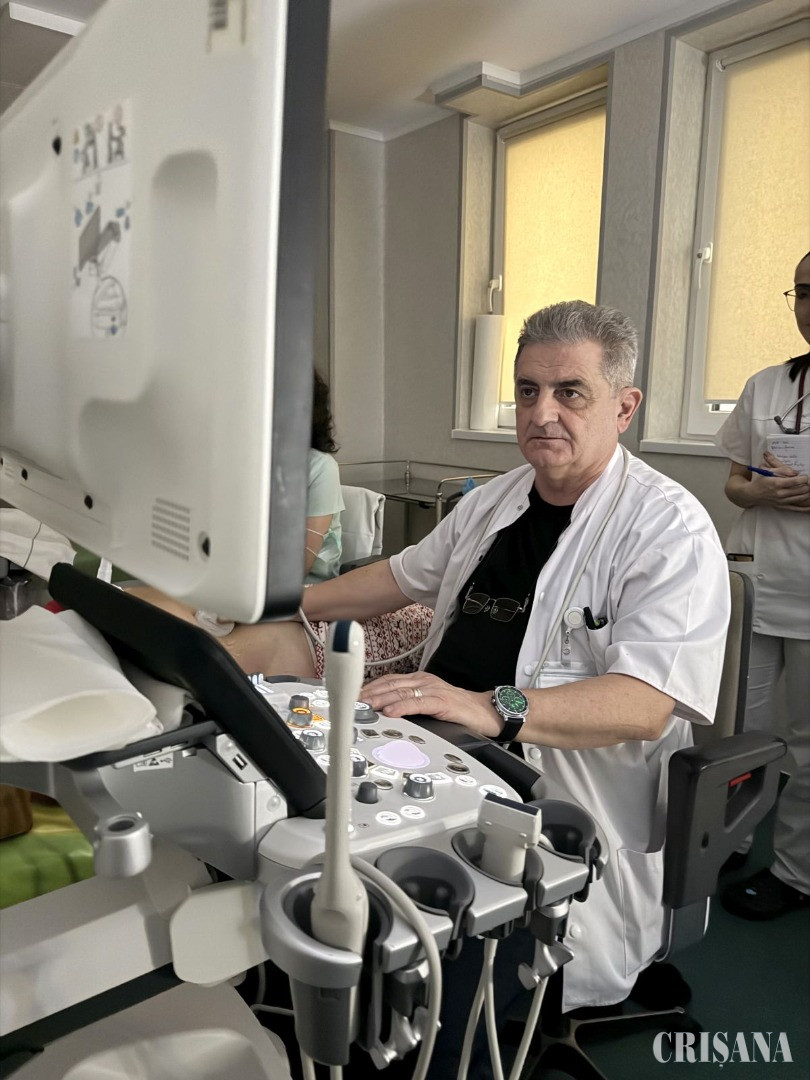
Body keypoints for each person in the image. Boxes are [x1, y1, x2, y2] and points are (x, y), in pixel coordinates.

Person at [295, 299, 731, 1025]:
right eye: (528, 390)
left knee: (445, 988)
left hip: (549, 798)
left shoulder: (669, 528)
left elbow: (645, 703)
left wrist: (489, 707)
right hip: (440, 748)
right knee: (322, 857)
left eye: (570, 392)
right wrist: (284, 601)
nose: (542, 411)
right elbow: (397, 578)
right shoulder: (493, 502)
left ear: (624, 408)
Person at [714, 252, 810, 920]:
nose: (809, 305)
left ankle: (796, 871)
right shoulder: (768, 385)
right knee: (736, 728)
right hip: (754, 579)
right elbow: (734, 482)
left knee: (806, 743)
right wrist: (761, 491)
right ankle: (727, 839)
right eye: (802, 291)